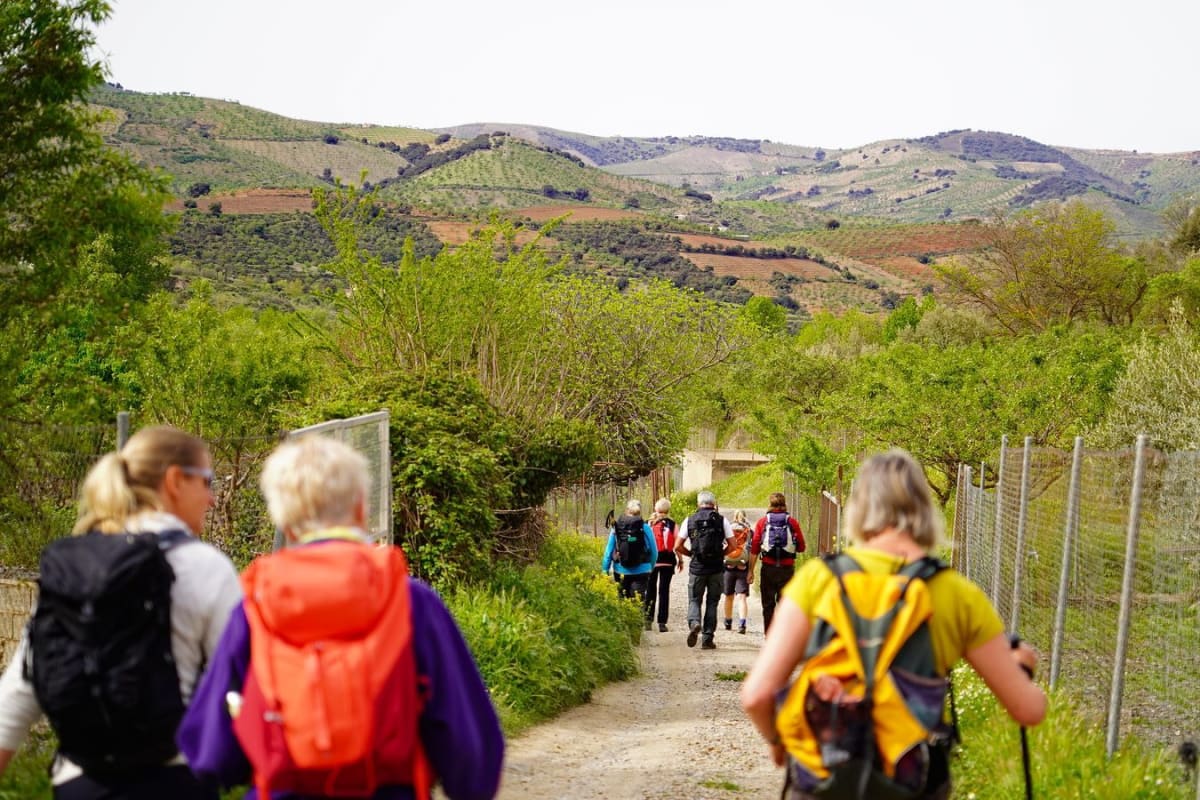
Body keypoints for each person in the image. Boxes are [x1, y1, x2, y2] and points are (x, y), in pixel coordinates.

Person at [176, 435, 504, 800]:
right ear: (361, 507)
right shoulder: (412, 601)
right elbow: (473, 750)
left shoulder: (256, 605)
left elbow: (210, 752)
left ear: (285, 524)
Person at [740, 450, 1046, 800]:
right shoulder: (954, 593)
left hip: (821, 779)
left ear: (859, 510)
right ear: (923, 510)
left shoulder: (818, 580)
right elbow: (1028, 710)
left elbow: (757, 695)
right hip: (911, 782)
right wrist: (1022, 666)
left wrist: (781, 741)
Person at [0, 425, 242, 800]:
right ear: (175, 480)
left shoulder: (76, 564)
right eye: (207, 481)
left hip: (80, 784)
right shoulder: (205, 565)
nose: (211, 499)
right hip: (174, 781)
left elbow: (18, 692)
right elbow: (238, 679)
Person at [674, 491, 734, 651]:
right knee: (712, 603)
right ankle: (707, 639)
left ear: (698, 504)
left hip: (697, 568)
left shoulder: (690, 520)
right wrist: (721, 555)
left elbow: (677, 546)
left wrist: (690, 554)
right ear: (714, 504)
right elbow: (733, 545)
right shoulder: (722, 520)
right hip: (716, 569)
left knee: (694, 600)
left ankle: (695, 623)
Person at [748, 492, 806, 633]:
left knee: (768, 606)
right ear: (784, 504)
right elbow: (802, 547)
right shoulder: (792, 522)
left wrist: (750, 571)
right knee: (785, 605)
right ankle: (783, 636)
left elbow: (755, 547)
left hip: (768, 569)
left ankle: (769, 637)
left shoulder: (763, 522)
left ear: (770, 504)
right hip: (787, 570)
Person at [601, 499, 658, 630]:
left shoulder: (617, 528)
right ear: (639, 512)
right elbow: (654, 551)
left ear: (626, 511)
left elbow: (609, 551)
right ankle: (636, 634)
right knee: (638, 602)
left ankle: (625, 632)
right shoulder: (645, 528)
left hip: (620, 570)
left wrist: (604, 570)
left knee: (622, 600)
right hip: (642, 571)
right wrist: (651, 566)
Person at [645, 498, 678, 633]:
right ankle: (662, 623)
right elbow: (677, 544)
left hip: (651, 562)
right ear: (668, 510)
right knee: (664, 591)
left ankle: (647, 620)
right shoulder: (672, 524)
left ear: (656, 509)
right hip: (667, 561)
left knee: (650, 590)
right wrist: (680, 560)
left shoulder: (648, 523)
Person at [722, 510, 753, 634]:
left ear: (733, 517)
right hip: (743, 567)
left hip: (728, 566)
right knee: (742, 597)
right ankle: (742, 623)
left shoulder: (728, 529)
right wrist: (751, 569)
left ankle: (728, 621)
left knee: (728, 596)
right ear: (745, 517)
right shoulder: (749, 531)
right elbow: (752, 551)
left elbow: (723, 545)